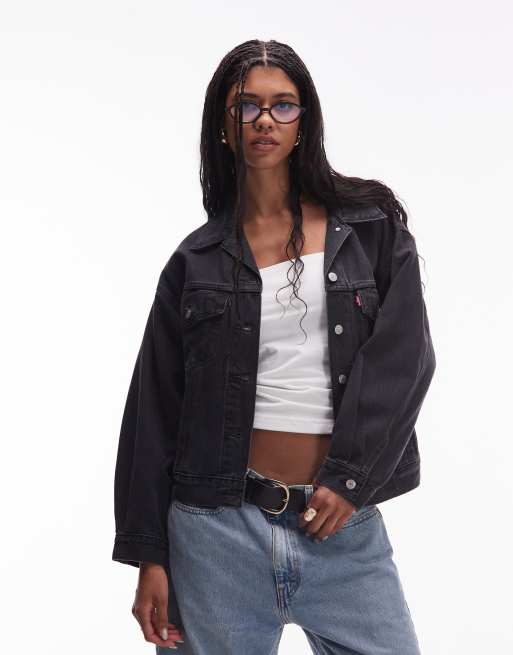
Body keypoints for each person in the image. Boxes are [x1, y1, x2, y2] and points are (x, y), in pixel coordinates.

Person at [112, 39, 436, 655]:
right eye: (247, 106)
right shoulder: (196, 261)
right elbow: (154, 412)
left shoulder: (370, 229)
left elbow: (406, 360)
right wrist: (149, 554)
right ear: (224, 126)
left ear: (304, 122)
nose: (265, 119)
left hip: (340, 525)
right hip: (215, 534)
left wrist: (350, 478)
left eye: (283, 105)